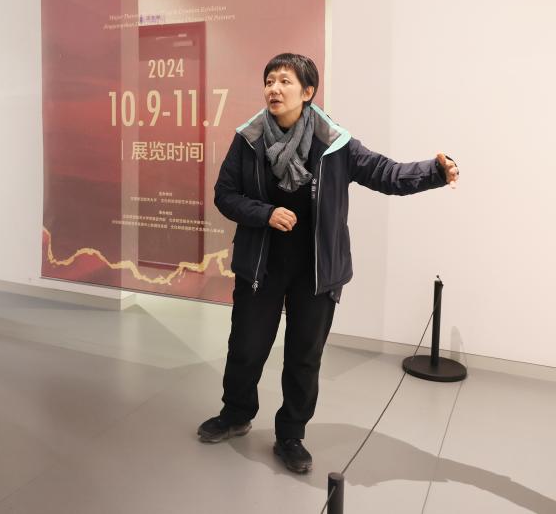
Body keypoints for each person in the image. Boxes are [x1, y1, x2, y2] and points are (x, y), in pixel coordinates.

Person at [197, 53, 460, 474]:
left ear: (307, 91)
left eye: (284, 81)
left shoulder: (335, 143)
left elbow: (385, 173)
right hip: (261, 264)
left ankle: (291, 435)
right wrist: (265, 213)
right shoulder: (248, 139)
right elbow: (224, 195)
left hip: (316, 271)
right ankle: (236, 413)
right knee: (246, 347)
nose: (274, 89)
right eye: (269, 80)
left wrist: (433, 172)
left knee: (304, 356)